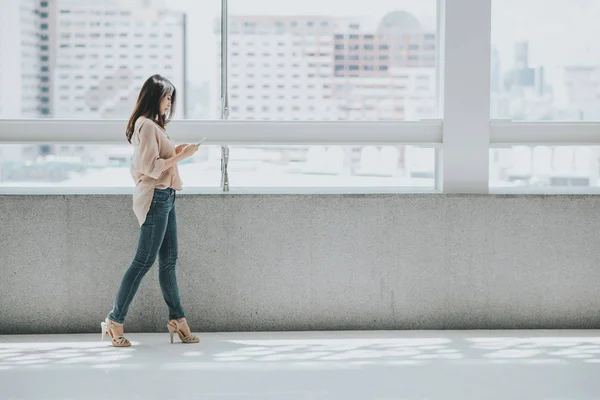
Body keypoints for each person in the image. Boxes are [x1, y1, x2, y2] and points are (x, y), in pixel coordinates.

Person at [101, 74, 200, 347]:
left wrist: (175, 152)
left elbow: (159, 160)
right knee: (143, 261)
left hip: (166, 196)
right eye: (167, 97)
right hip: (156, 198)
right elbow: (151, 166)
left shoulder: (154, 126)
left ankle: (177, 320)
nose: (169, 103)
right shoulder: (145, 125)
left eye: (171, 98)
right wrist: (182, 156)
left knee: (168, 262)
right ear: (155, 96)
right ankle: (114, 320)